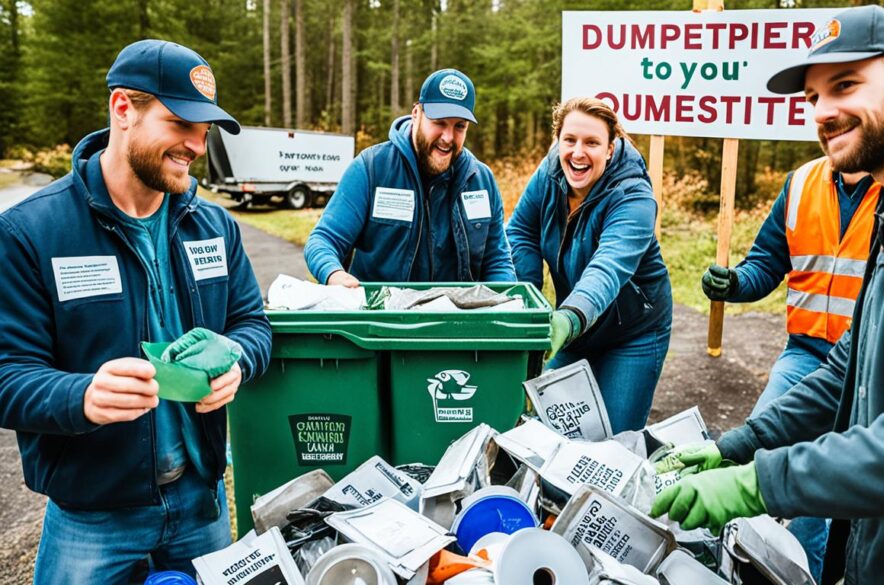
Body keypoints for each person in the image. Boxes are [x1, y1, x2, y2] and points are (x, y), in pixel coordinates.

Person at [651, 6, 884, 583]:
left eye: (845, 85)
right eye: (812, 98)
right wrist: (741, 446)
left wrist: (762, 482)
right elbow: (850, 366)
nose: (823, 112)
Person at [0, 40, 272, 582]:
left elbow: (253, 324)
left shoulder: (214, 226)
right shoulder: (31, 231)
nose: (197, 145)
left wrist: (238, 357)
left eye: (205, 130)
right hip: (92, 519)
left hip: (203, 504)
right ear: (124, 108)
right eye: (179, 124)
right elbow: (8, 373)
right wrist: (82, 396)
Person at [698, 160, 880, 581]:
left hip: (869, 363)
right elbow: (767, 261)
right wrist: (737, 282)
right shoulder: (801, 183)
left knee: (814, 508)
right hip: (805, 351)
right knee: (754, 448)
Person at [505, 97, 673, 433]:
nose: (578, 153)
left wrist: (568, 318)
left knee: (612, 441)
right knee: (550, 428)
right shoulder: (549, 173)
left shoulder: (634, 197)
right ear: (557, 141)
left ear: (611, 149)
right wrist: (527, 300)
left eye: (592, 143)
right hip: (577, 330)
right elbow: (522, 230)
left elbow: (607, 268)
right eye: (570, 140)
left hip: (632, 334)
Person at [305, 69, 516, 285]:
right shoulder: (371, 168)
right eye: (440, 122)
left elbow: (497, 260)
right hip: (381, 315)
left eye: (459, 126)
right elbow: (323, 240)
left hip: (456, 315)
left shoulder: (481, 181)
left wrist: (507, 300)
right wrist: (334, 274)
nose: (448, 137)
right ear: (416, 114)